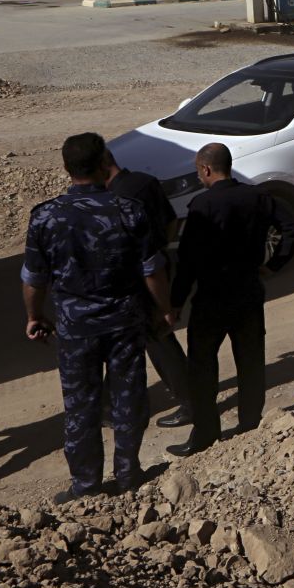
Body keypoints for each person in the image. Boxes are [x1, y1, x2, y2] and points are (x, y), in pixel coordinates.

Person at [22, 133, 169, 499]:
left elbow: (34, 278)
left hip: (76, 327)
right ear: (105, 163)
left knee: (80, 405)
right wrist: (165, 310)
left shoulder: (45, 216)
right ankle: (128, 473)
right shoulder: (129, 210)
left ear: (67, 168)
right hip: (124, 321)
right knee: (128, 397)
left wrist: (34, 316)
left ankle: (85, 485)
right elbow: (152, 270)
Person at [170, 143, 294, 457]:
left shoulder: (202, 205)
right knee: (251, 361)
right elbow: (291, 227)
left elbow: (187, 260)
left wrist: (175, 302)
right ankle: (250, 424)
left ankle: (205, 432)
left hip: (212, 297)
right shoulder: (257, 197)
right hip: (248, 292)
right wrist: (274, 264)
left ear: (206, 169)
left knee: (202, 365)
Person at [99, 149, 191, 429]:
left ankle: (193, 401)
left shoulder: (112, 199)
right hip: (158, 267)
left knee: (156, 339)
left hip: (136, 279)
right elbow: (171, 222)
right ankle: (107, 406)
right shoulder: (145, 181)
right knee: (138, 339)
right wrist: (160, 248)